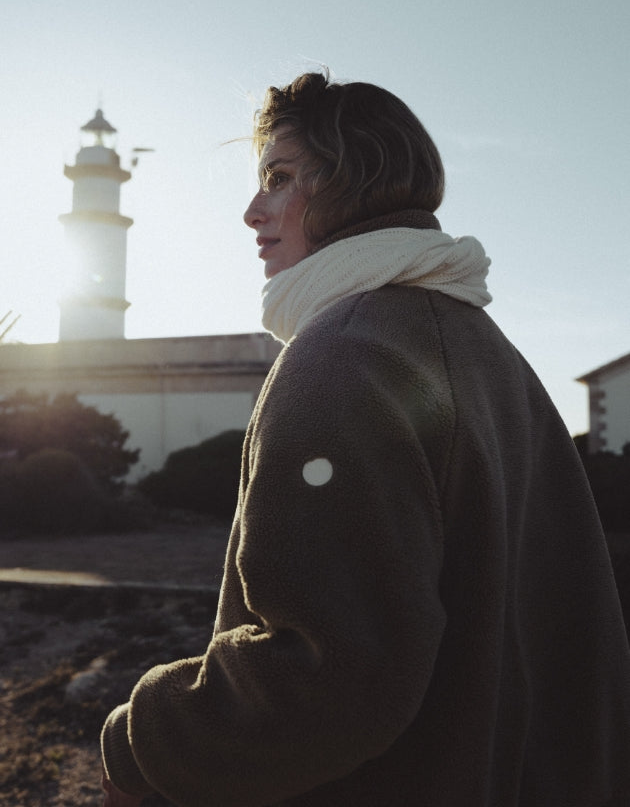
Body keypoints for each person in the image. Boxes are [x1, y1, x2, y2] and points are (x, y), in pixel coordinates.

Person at [101, 72, 630, 806]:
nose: (252, 211)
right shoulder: (493, 354)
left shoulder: (342, 358)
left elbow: (327, 674)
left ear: (355, 180)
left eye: (280, 178)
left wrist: (137, 744)